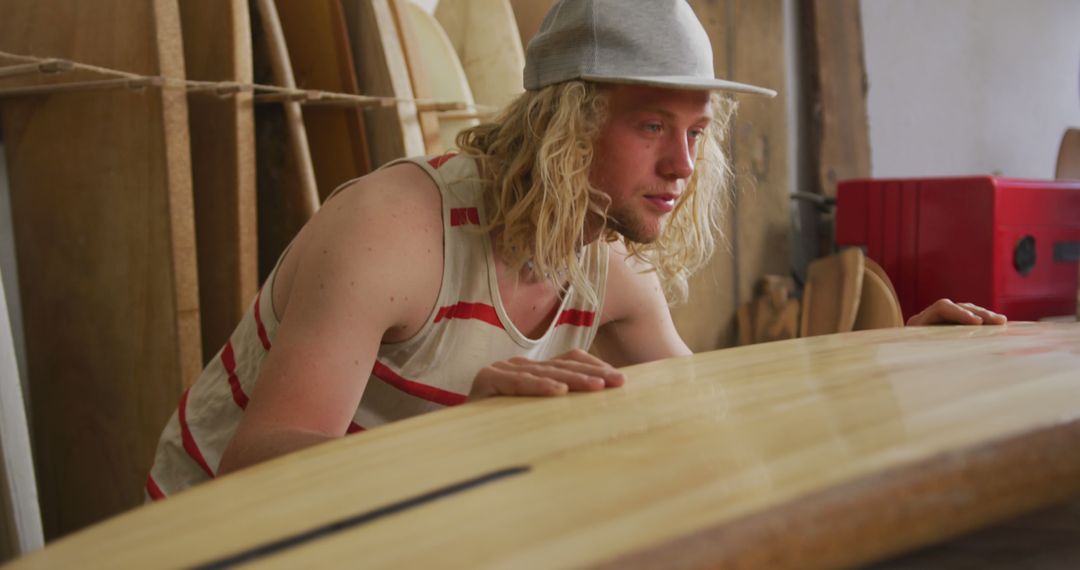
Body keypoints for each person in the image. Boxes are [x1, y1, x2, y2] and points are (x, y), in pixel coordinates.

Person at [145, 0, 1006, 499]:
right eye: (649, 125)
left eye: (698, 131)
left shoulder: (606, 266)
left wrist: (881, 365)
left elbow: (710, 410)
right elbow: (256, 469)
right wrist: (464, 435)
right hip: (207, 539)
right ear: (565, 124)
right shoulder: (393, 230)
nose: (681, 164)